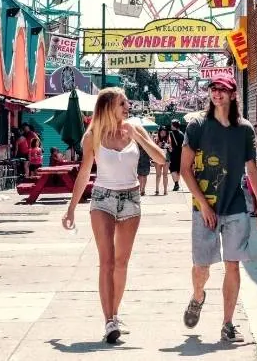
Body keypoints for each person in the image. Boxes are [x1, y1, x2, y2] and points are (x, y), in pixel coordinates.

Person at [61, 88, 167, 343]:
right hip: (102, 199)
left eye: (127, 103)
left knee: (121, 263)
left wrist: (138, 138)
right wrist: (71, 208)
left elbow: (161, 159)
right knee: (107, 261)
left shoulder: (134, 129)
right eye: (122, 103)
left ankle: (115, 314)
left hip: (131, 199)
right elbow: (85, 173)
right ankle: (109, 321)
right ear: (108, 106)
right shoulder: (93, 135)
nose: (127, 107)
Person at [180, 74, 257, 343]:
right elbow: (185, 169)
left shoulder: (244, 129)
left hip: (235, 207)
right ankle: (198, 296)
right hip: (204, 208)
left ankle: (228, 324)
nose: (217, 93)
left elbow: (252, 170)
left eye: (223, 89)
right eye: (213, 88)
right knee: (202, 267)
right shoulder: (197, 125)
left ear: (233, 94)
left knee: (233, 265)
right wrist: (204, 205)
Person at [154, 127, 172, 195]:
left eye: (164, 132)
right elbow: (153, 148)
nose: (163, 133)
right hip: (158, 158)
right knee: (158, 175)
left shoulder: (168, 139)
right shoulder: (156, 138)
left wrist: (169, 147)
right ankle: (157, 190)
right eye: (162, 132)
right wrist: (158, 145)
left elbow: (171, 150)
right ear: (159, 132)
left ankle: (165, 190)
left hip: (166, 158)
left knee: (165, 175)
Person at [169, 120, 185, 191]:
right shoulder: (182, 134)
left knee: (173, 169)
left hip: (173, 153)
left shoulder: (170, 134)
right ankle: (177, 183)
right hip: (181, 153)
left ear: (173, 125)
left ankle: (176, 183)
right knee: (178, 170)